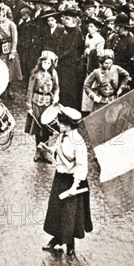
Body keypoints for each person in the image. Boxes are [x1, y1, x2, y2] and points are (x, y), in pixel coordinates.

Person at [42, 106, 93, 256]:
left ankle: (70, 244)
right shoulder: (62, 135)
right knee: (57, 209)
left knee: (70, 214)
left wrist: (74, 186)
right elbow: (58, 149)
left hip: (72, 181)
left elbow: (82, 166)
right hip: (60, 177)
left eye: (61, 123)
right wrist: (47, 148)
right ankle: (57, 239)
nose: (58, 124)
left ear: (68, 124)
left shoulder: (78, 142)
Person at [25, 52, 60, 161]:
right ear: (41, 62)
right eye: (44, 62)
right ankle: (38, 151)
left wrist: (56, 96)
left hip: (48, 104)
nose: (46, 65)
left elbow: (56, 88)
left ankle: (45, 152)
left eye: (48, 63)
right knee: (37, 128)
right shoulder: (35, 73)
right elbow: (30, 90)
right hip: (37, 103)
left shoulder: (53, 73)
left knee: (47, 129)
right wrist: (29, 106)